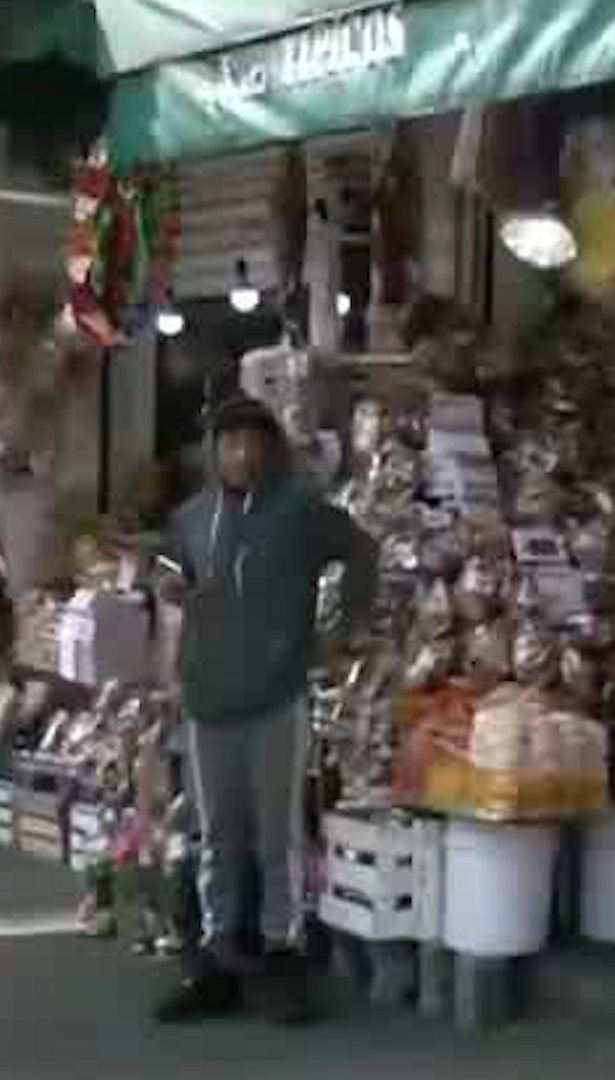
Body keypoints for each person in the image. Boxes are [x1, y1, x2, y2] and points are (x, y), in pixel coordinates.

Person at [153, 396, 377, 1025]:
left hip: (278, 700)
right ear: (213, 451)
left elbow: (362, 551)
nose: (242, 454)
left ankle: (282, 959)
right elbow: (167, 567)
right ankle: (218, 962)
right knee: (215, 837)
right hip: (207, 700)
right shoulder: (192, 517)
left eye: (253, 441)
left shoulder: (300, 511)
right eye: (230, 443)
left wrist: (341, 635)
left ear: (270, 446)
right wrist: (168, 585)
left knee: (277, 838)